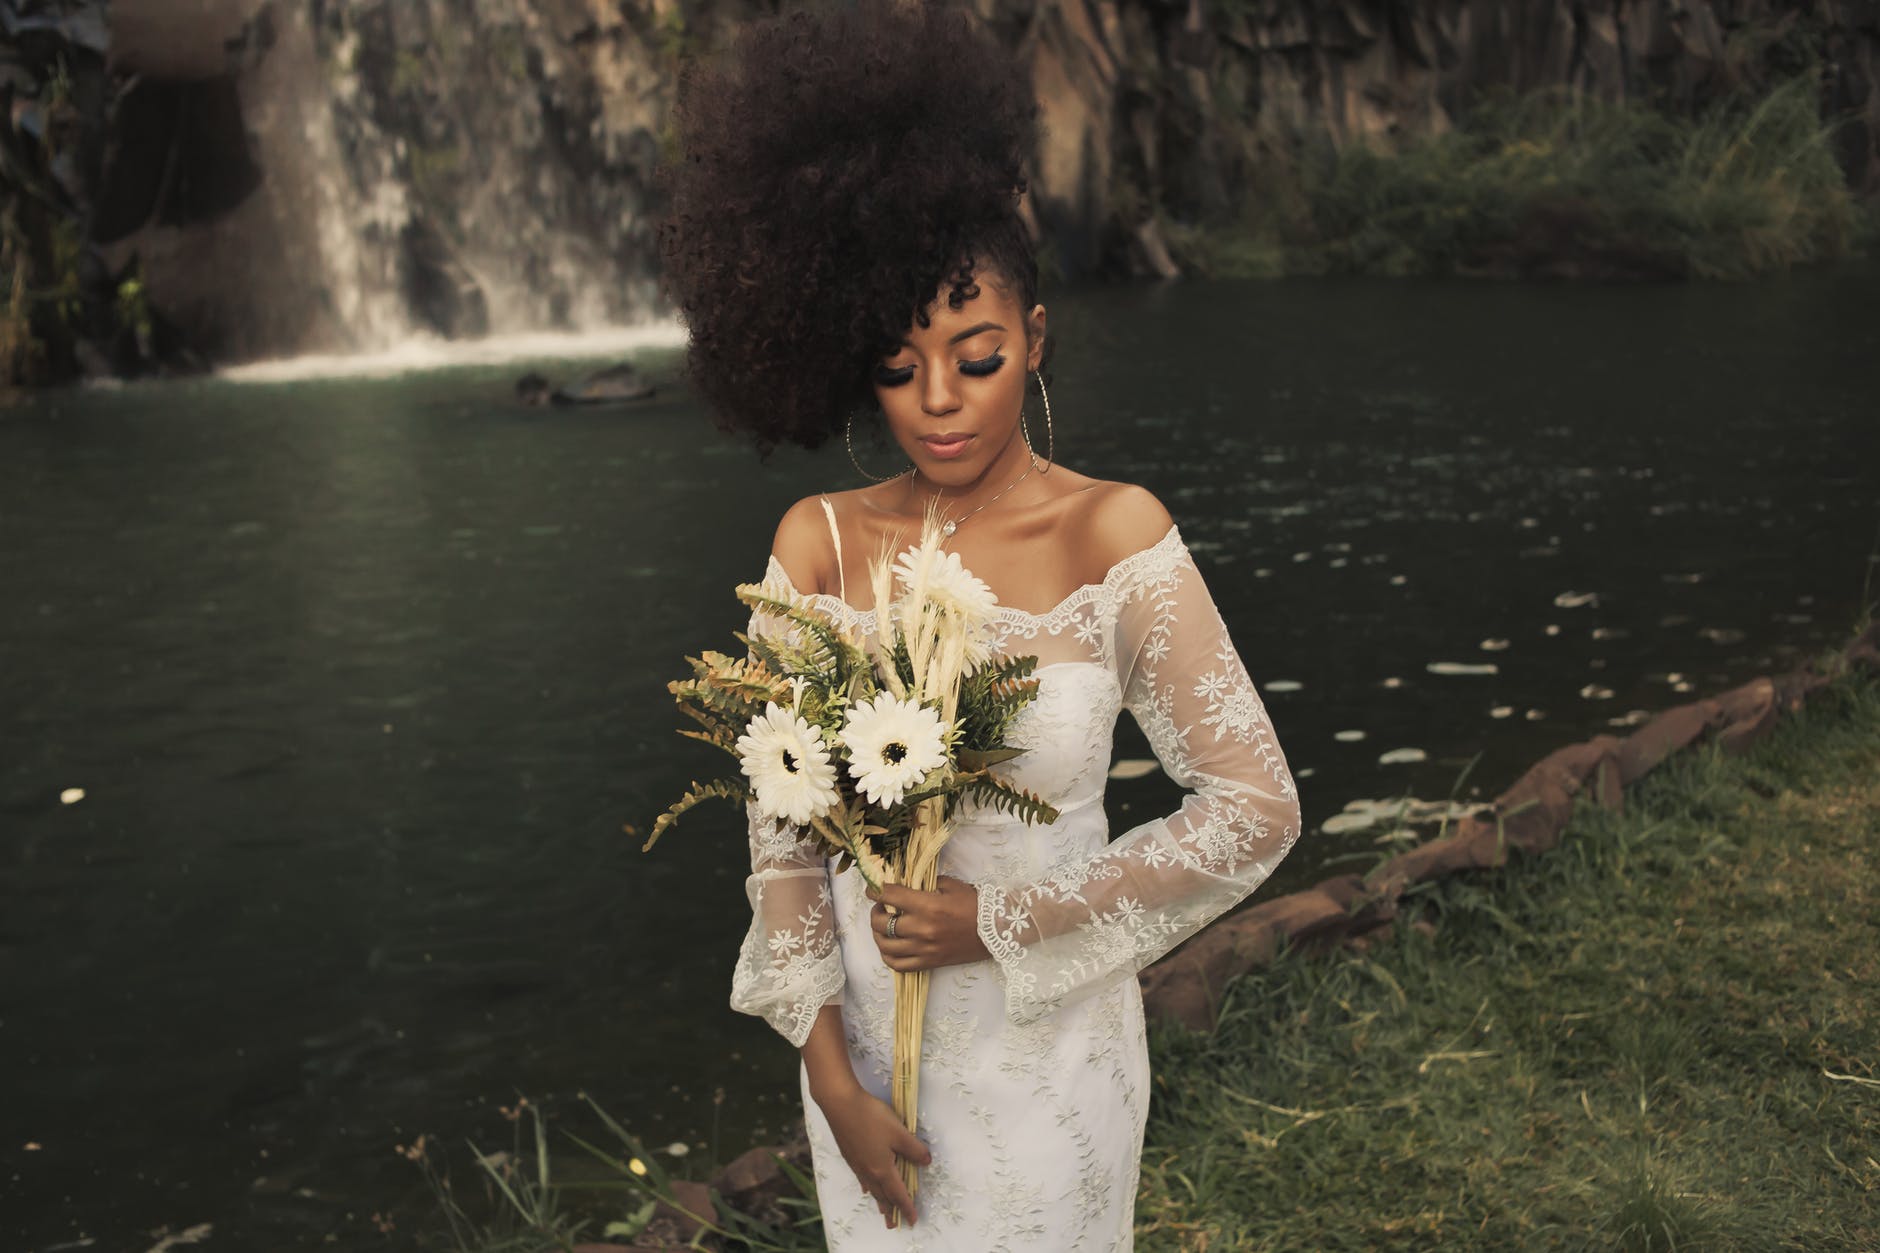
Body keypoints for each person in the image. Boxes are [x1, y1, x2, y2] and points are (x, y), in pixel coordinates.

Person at [657, 4, 1302, 1247]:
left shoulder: (1111, 536)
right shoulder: (818, 545)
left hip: (1049, 1060)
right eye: (899, 368)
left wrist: (999, 921)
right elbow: (784, 855)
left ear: (1036, 340)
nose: (939, 401)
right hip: (867, 1080)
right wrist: (833, 1086)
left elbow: (1253, 805)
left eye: (977, 352)